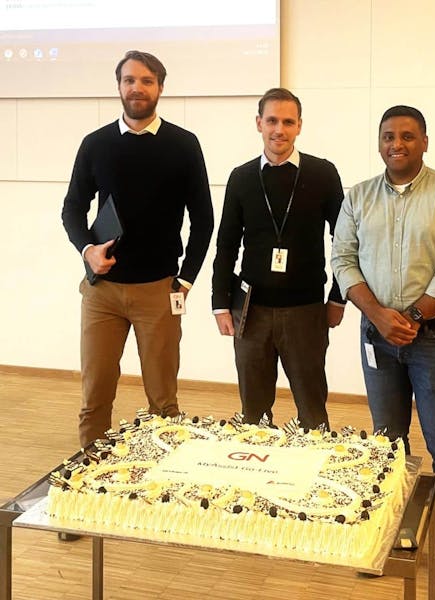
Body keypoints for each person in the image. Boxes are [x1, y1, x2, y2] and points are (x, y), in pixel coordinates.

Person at [332, 106, 435, 600]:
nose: (398, 144)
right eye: (389, 137)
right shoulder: (357, 196)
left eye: (408, 136)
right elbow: (343, 259)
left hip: (433, 336)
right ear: (379, 143)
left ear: (424, 142)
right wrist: (377, 314)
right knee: (387, 442)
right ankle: (391, 536)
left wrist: (413, 317)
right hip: (376, 335)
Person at [61, 50, 213, 452]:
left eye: (146, 80)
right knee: (95, 396)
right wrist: (87, 249)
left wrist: (186, 280)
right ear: (119, 87)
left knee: (163, 400)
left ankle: (163, 478)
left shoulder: (183, 145)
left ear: (160, 87)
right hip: (102, 293)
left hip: (158, 291)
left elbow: (204, 219)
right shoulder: (96, 144)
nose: (137, 87)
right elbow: (73, 207)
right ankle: (90, 474)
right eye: (129, 80)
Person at [211, 88, 345, 429]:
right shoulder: (241, 178)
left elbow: (345, 240)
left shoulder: (322, 174)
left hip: (306, 310)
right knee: (253, 414)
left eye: (288, 122)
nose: (279, 130)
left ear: (299, 126)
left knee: (313, 413)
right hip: (251, 311)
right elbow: (226, 243)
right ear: (258, 123)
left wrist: (338, 298)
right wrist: (220, 303)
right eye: (272, 120)